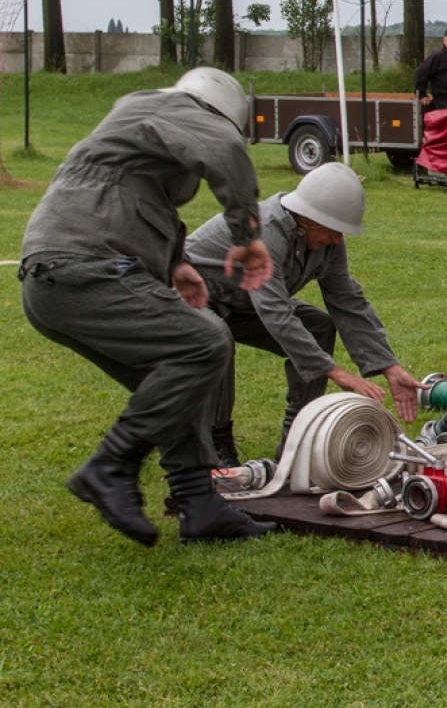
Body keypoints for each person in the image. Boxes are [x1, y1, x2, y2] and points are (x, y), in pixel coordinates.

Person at [18, 67, 278, 546]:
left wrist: (176, 263)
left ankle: (199, 507)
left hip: (55, 281)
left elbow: (127, 193)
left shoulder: (137, 125)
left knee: (173, 382)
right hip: (84, 267)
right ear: (217, 112)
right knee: (206, 340)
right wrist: (247, 236)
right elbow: (223, 149)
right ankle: (110, 465)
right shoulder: (179, 106)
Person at [186, 162, 426, 465]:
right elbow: (275, 311)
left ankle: (296, 441)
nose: (337, 240)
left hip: (241, 302)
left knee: (319, 327)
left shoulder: (326, 240)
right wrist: (335, 371)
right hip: (188, 298)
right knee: (215, 338)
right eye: (334, 230)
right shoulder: (264, 231)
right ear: (309, 218)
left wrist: (388, 366)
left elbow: (346, 299)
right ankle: (215, 443)